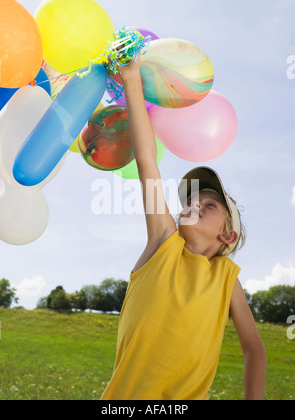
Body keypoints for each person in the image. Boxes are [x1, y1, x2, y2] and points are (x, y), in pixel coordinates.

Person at [101, 54, 267, 401]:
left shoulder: (225, 277)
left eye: (209, 206)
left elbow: (254, 347)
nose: (195, 205)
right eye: (192, 201)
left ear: (227, 236)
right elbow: (147, 159)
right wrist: (131, 80)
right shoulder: (164, 241)